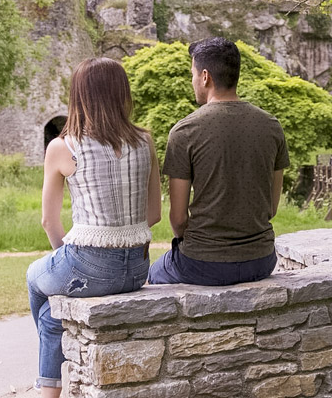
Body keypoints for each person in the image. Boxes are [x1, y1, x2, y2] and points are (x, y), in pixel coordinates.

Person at [26, 58, 163, 397]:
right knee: (50, 315)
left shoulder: (64, 146)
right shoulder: (145, 141)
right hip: (136, 267)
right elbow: (155, 213)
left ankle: (48, 387)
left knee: (34, 278)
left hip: (87, 262)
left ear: (79, 96)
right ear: (122, 94)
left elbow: (49, 220)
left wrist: (70, 263)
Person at [148, 37, 289, 287]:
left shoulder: (184, 131)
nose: (192, 81)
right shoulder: (272, 126)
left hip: (202, 264)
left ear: (205, 77)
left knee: (149, 277)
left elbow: (178, 219)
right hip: (262, 260)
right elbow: (271, 208)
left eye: (192, 74)